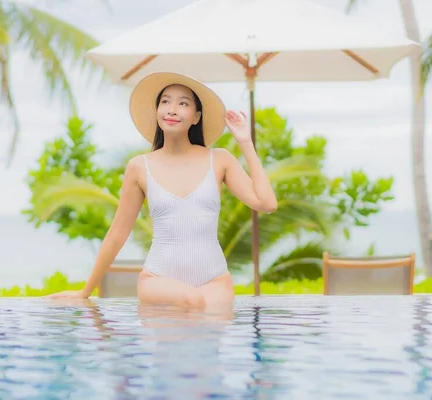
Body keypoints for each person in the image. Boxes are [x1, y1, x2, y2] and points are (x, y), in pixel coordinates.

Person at [45, 72, 278, 309]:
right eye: (165, 101)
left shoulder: (219, 160)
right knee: (192, 301)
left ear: (196, 117)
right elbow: (117, 233)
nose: (172, 109)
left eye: (183, 103)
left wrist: (245, 142)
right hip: (157, 281)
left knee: (204, 319)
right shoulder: (139, 166)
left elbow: (267, 203)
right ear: (157, 112)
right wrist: (86, 291)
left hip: (214, 281)